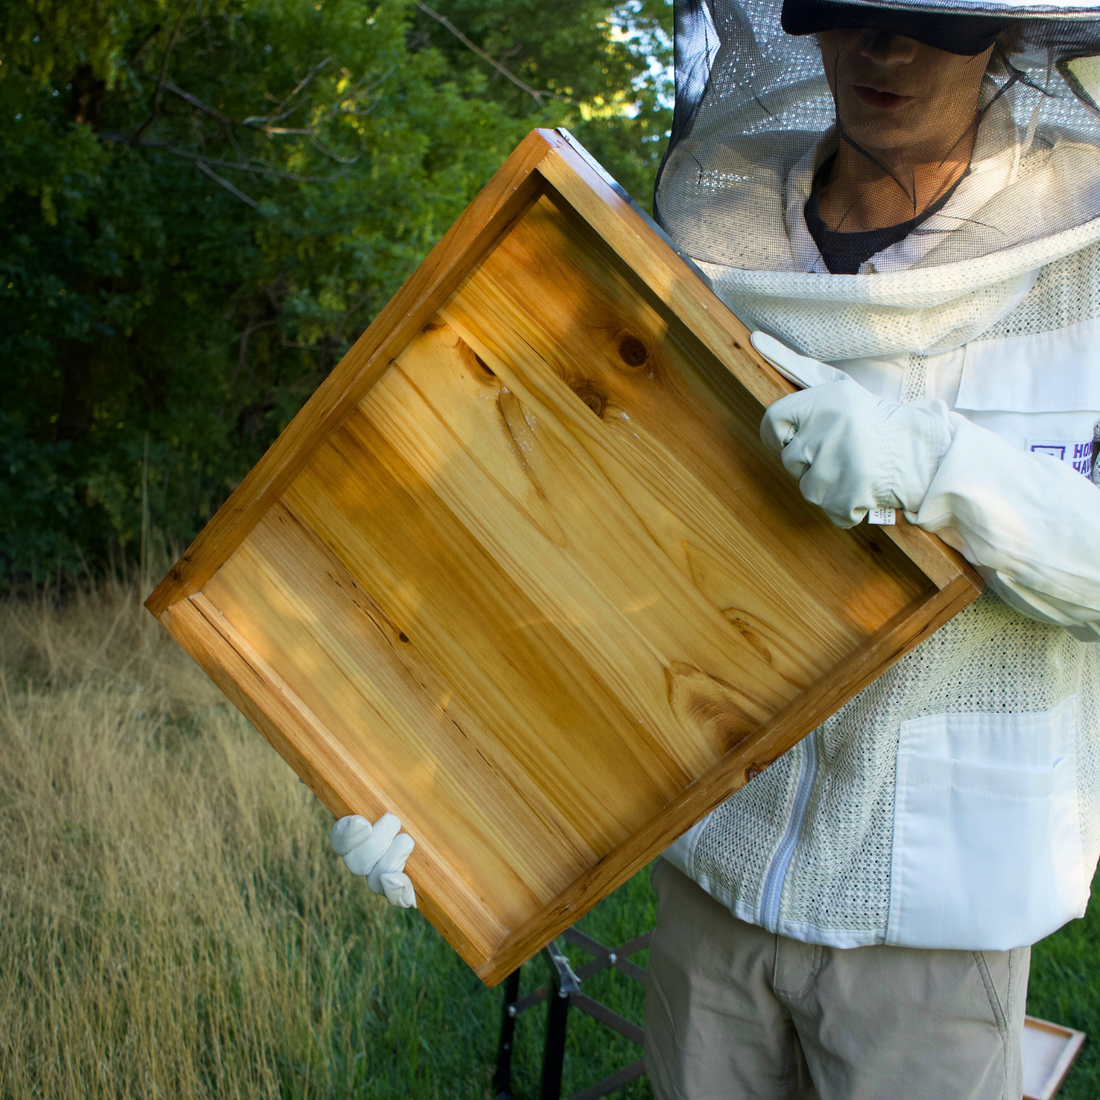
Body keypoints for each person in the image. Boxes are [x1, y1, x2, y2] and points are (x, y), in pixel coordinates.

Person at [332, 1, 1100, 1095]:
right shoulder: (727, 238)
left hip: (934, 912)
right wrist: (438, 778)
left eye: (923, 21)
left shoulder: (1084, 272)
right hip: (712, 869)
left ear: (1002, 39)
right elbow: (590, 539)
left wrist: (932, 467)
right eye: (846, 11)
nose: (880, 51)